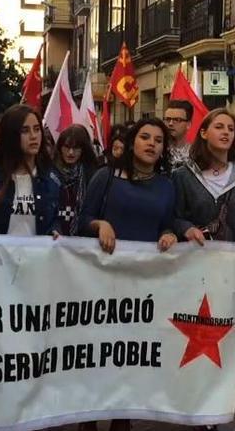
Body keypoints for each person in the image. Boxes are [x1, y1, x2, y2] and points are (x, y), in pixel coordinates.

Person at [76, 118, 177, 431]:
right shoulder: (105, 177)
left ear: (163, 149)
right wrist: (100, 225)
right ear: (132, 142)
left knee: (130, 352)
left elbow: (167, 223)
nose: (151, 144)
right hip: (102, 278)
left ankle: (122, 417)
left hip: (142, 283)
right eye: (145, 137)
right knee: (97, 350)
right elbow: (83, 219)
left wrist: (170, 234)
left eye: (158, 140)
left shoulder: (167, 185)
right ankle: (88, 417)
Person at [173, 108, 235, 255]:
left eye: (231, 129)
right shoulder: (184, 175)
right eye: (219, 127)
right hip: (193, 258)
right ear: (203, 133)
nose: (226, 132)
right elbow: (175, 217)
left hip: (232, 259)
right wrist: (186, 229)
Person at [0, 104, 60, 236]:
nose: (34, 136)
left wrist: (55, 230)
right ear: (11, 135)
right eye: (25, 131)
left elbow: (56, 218)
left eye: (37, 129)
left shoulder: (51, 177)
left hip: (39, 255)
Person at [54, 124, 98, 236]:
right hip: (54, 236)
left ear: (83, 149)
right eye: (67, 147)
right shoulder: (50, 172)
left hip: (83, 237)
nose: (70, 153)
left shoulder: (92, 175)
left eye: (76, 148)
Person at [164, 100, 193, 169]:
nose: (170, 123)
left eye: (177, 120)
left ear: (188, 124)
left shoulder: (195, 153)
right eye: (167, 119)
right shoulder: (157, 150)